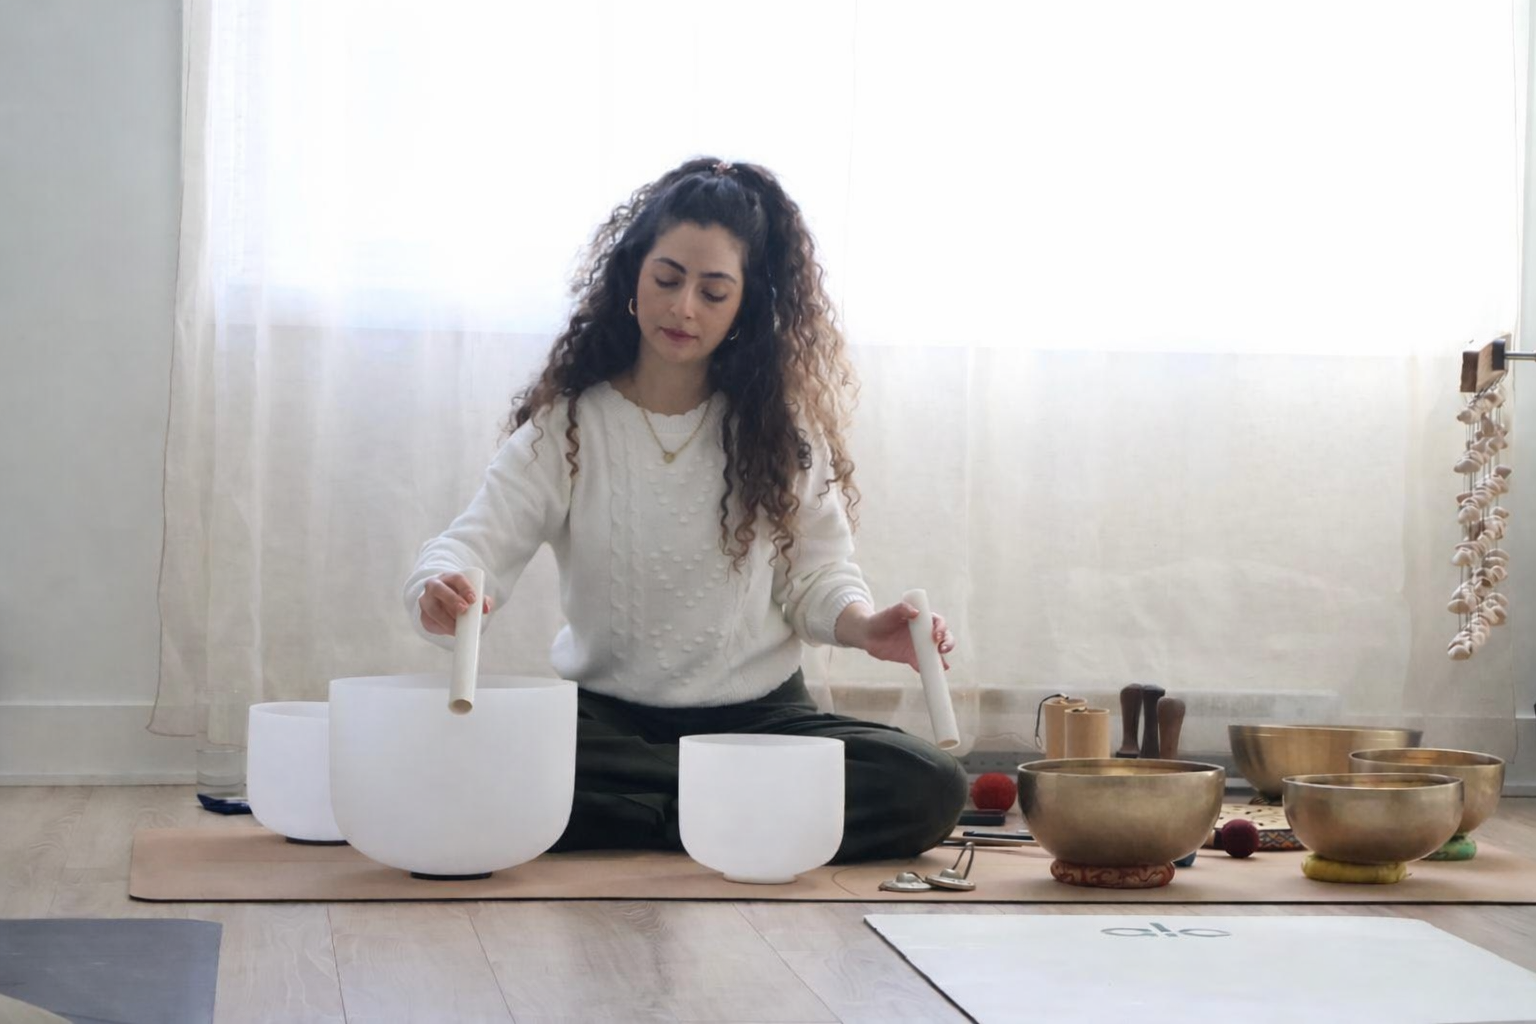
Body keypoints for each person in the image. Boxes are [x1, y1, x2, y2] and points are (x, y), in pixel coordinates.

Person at [403, 157, 967, 862]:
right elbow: (470, 547)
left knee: (932, 785)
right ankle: (725, 818)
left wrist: (862, 627)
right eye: (667, 279)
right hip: (606, 729)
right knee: (457, 755)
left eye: (713, 290)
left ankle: (639, 816)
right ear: (633, 279)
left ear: (745, 308)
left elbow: (817, 577)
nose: (684, 308)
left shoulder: (781, 429)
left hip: (761, 727)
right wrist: (443, 589)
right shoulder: (569, 427)